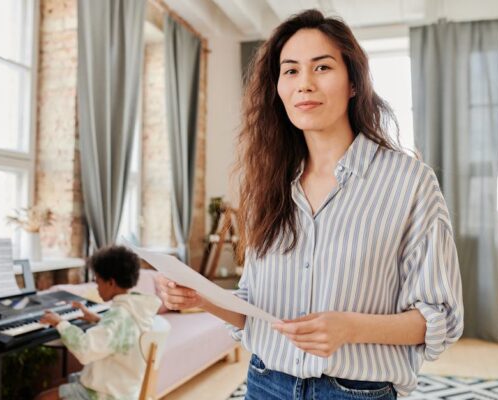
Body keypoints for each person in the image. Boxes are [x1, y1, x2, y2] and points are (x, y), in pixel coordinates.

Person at [156, 8, 463, 399]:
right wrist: (202, 298)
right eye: (290, 71)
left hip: (355, 391)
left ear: (353, 82)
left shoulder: (410, 183)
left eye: (321, 68)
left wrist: (350, 328)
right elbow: (254, 309)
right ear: (278, 88)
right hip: (265, 382)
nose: (304, 84)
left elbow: (442, 318)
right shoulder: (268, 184)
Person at [36, 246, 161, 400]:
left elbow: (85, 350)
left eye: (98, 281)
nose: (97, 287)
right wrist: (96, 319)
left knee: (42, 397)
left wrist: (59, 322)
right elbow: (123, 333)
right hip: (126, 389)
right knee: (64, 380)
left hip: (106, 394)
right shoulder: (136, 309)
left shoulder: (117, 316)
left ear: (111, 283)